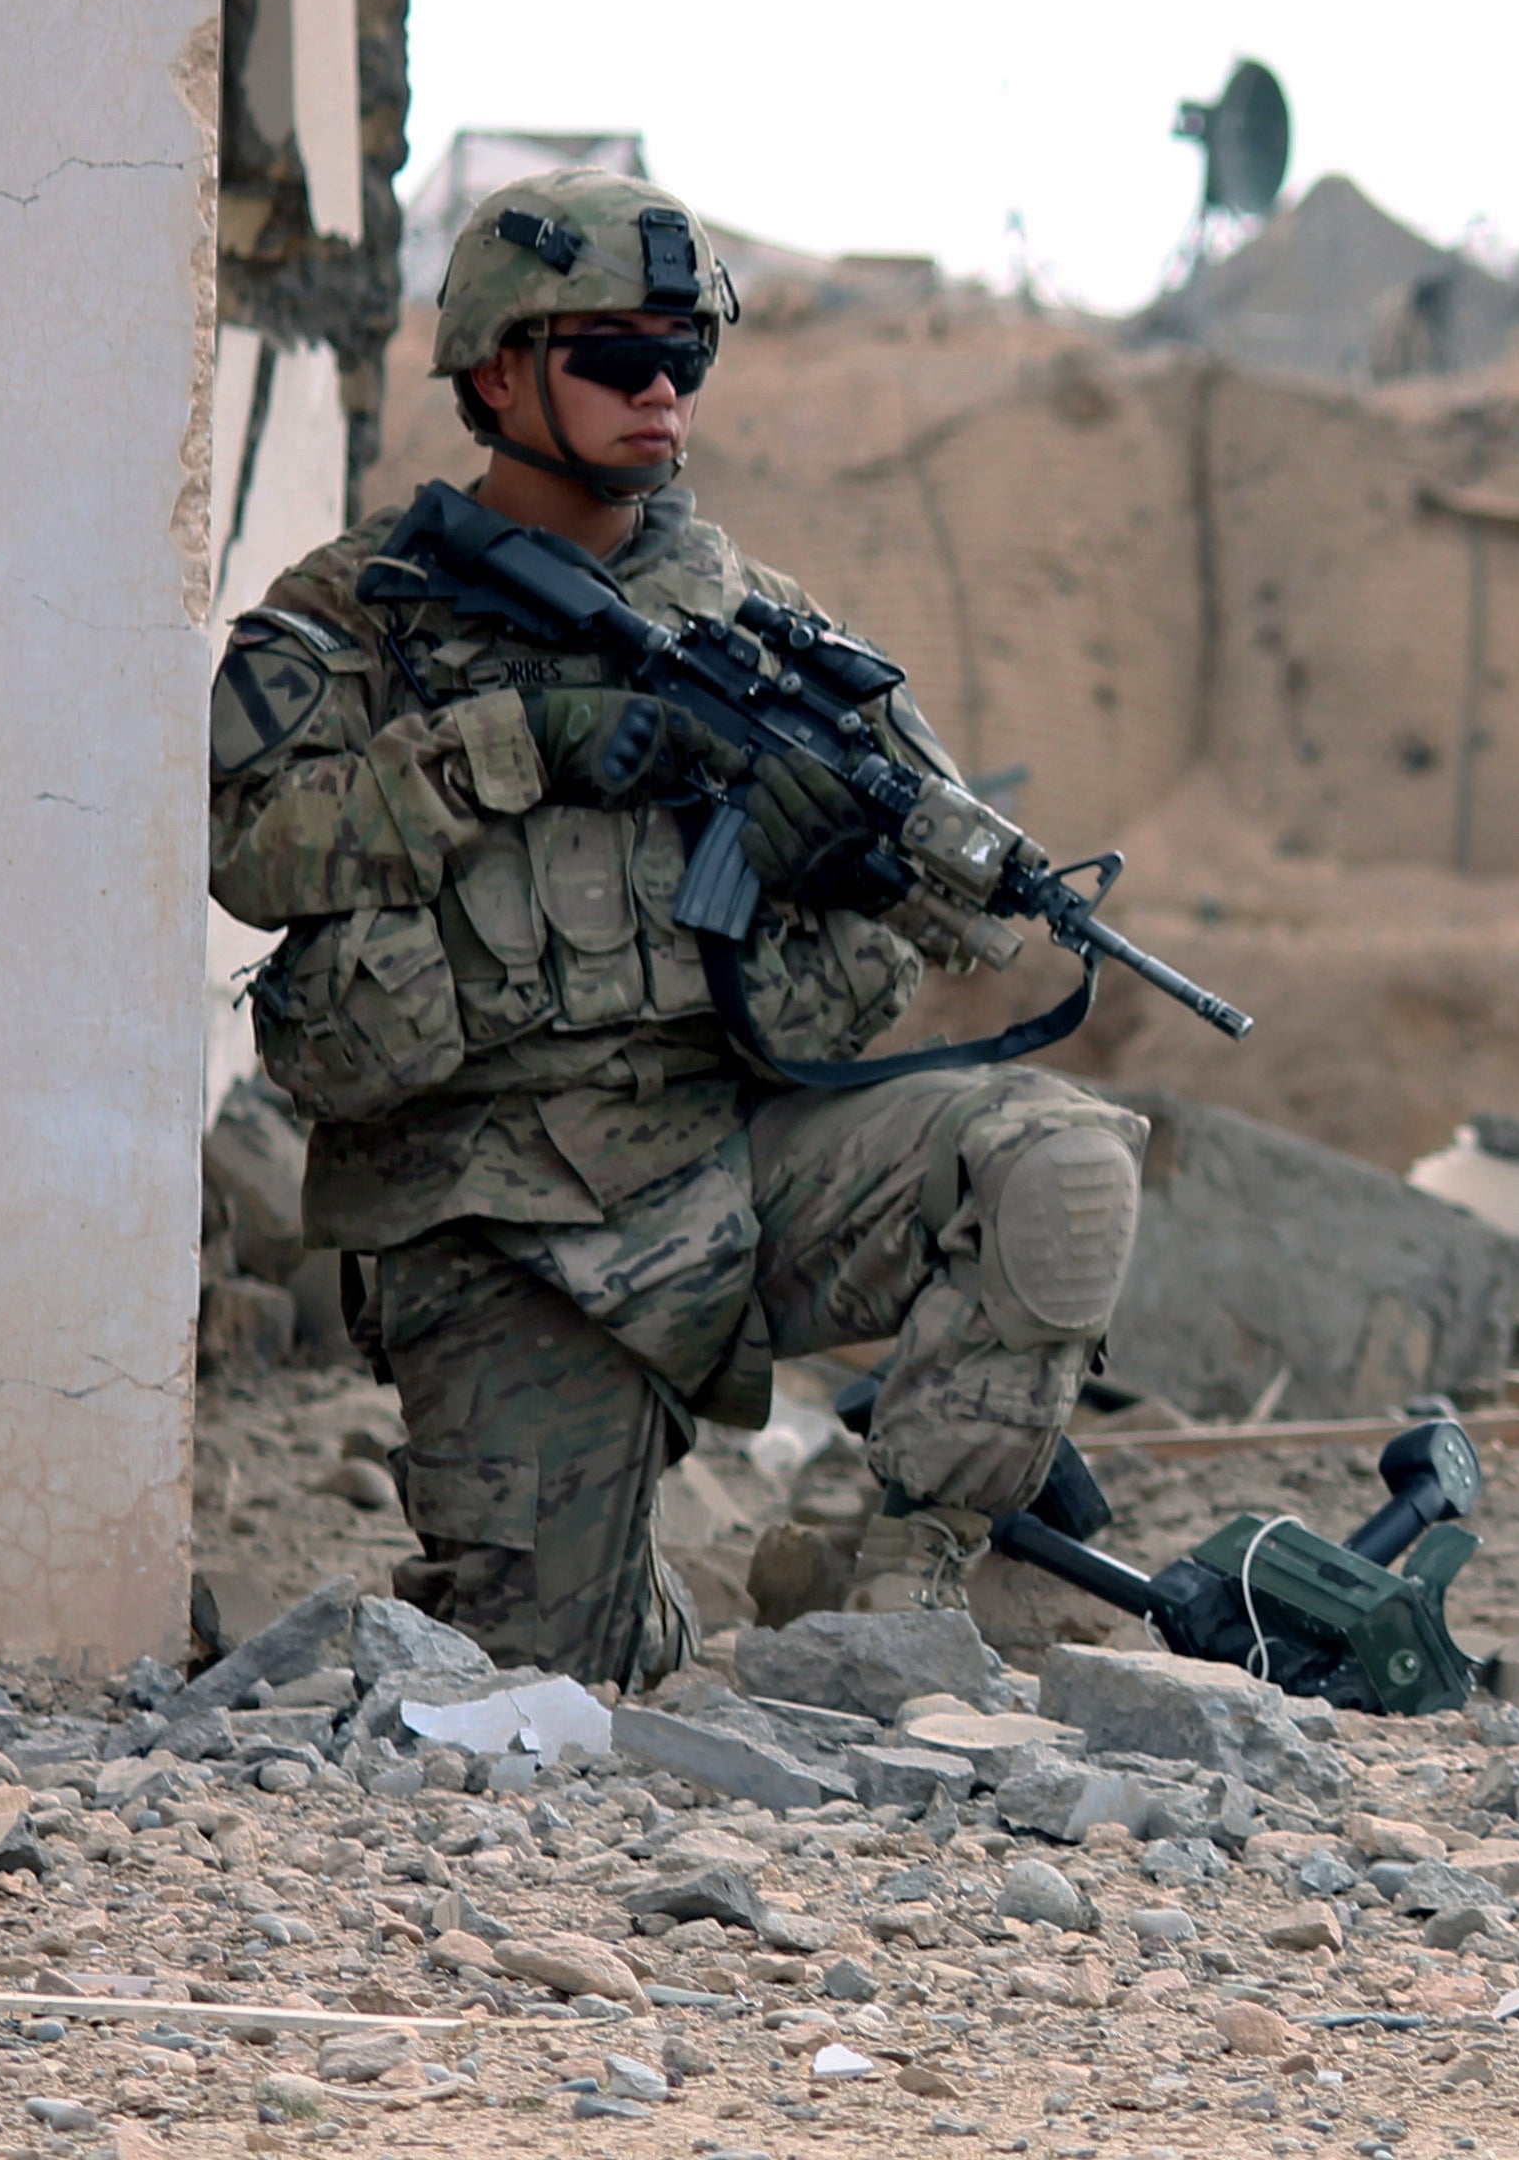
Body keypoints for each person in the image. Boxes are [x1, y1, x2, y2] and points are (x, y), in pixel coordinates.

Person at [208, 170, 1143, 1686]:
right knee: (544, 1692)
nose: (663, 395)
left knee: (1061, 1161)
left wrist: (840, 854)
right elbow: (250, 846)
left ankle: (892, 1593)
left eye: (687, 360)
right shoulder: (354, 617)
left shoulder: (764, 634)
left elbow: (968, 915)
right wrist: (525, 742)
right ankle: (648, 1596)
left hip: (737, 1160)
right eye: (618, 360)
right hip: (492, 1213)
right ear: (500, 369)